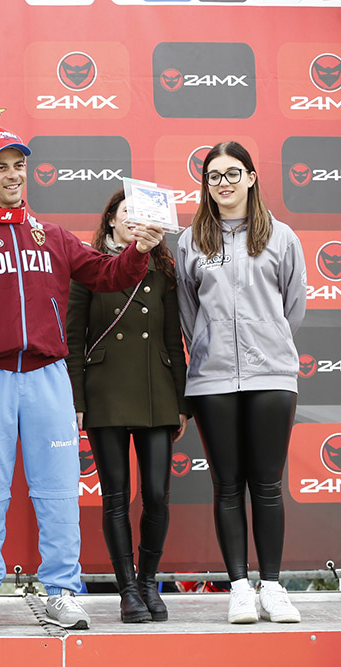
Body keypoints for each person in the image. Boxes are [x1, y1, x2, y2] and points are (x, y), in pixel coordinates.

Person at [0, 127, 165, 632]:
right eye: (1, 166)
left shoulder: (53, 236)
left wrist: (139, 251)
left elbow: (108, 275)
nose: (12, 175)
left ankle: (62, 591)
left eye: (19, 165)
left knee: (57, 491)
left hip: (48, 376)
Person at [176, 141, 306, 624]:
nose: (223, 183)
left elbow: (293, 307)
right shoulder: (191, 241)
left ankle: (271, 587)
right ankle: (238, 589)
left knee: (267, 486)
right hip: (211, 380)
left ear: (251, 178)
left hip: (271, 374)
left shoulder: (281, 237)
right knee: (227, 486)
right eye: (214, 176)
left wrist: (267, 341)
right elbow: (188, 313)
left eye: (233, 173)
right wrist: (210, 348)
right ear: (205, 185)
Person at [65, 189, 189, 623]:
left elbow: (173, 339)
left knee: (156, 494)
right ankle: (127, 591)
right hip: (105, 390)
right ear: (112, 222)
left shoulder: (163, 269)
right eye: (126, 214)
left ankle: (148, 583)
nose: (135, 220)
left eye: (141, 215)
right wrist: (77, 399)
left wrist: (182, 401)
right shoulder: (88, 266)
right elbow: (73, 339)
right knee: (115, 496)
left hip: (156, 391)